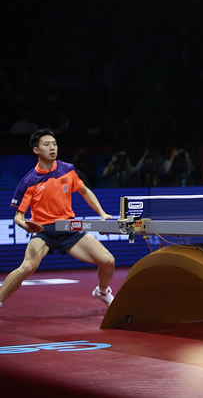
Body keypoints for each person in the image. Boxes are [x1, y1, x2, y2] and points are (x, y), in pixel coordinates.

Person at [0, 129, 116, 309]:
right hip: (43, 231)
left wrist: (102, 212)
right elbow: (18, 216)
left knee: (108, 261)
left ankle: (102, 291)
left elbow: (84, 191)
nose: (52, 148)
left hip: (68, 228)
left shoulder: (67, 170)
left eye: (54, 144)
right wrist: (25, 225)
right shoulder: (28, 181)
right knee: (27, 267)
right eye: (47, 145)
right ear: (36, 151)